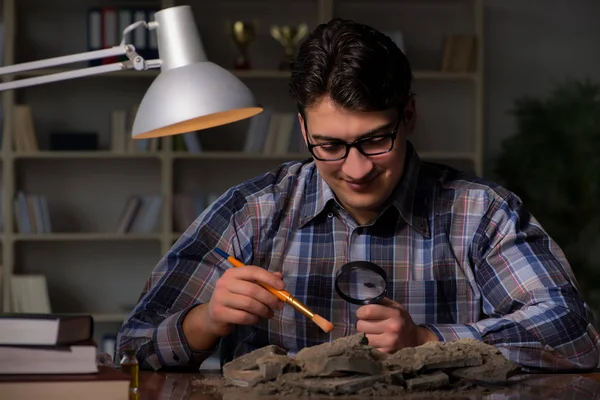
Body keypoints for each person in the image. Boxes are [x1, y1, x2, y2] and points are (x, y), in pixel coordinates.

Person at [116, 18, 600, 372]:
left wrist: (430, 340)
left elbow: (576, 335)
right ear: (303, 128)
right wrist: (206, 321)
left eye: (375, 140)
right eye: (329, 145)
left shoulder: (480, 213)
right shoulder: (251, 212)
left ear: (408, 116)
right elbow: (129, 348)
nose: (356, 169)